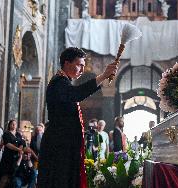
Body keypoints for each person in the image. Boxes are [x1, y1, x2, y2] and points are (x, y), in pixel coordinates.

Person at [37, 47, 118, 188]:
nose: (82, 69)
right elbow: (77, 93)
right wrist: (104, 75)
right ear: (67, 63)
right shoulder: (59, 82)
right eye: (79, 65)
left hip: (64, 143)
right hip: (58, 145)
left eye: (83, 66)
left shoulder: (64, 81)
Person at [0, 120, 25, 188]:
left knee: (13, 177)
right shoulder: (6, 134)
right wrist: (18, 149)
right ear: (9, 125)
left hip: (16, 158)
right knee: (5, 176)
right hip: (7, 158)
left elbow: (22, 143)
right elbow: (7, 144)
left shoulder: (18, 134)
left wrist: (20, 149)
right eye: (12, 124)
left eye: (15, 124)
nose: (13, 125)